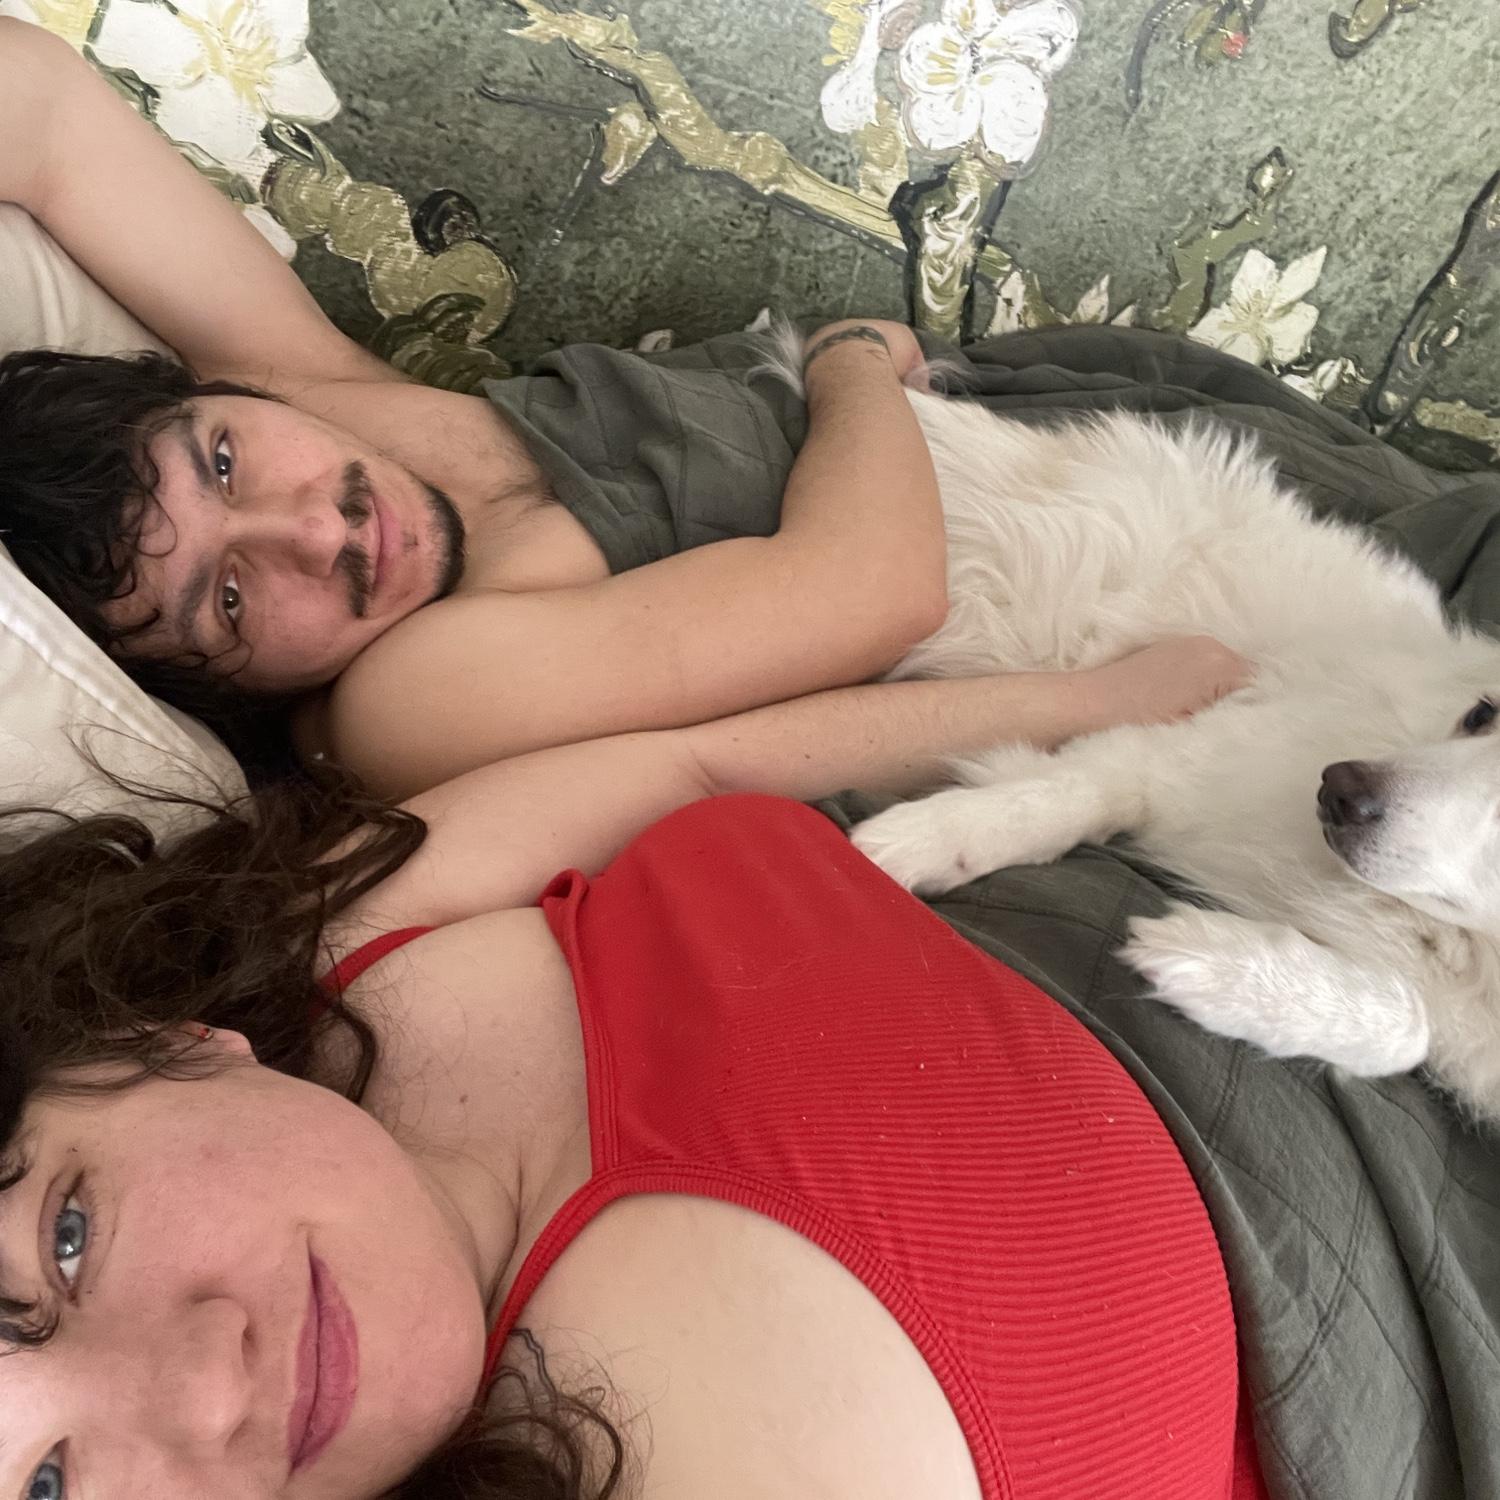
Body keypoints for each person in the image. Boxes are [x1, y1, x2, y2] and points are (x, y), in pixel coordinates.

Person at [0, 653, 1272, 1499]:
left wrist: (1102, 699)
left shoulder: (332, 936)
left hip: (1165, 835)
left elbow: (697, 765)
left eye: (66, 1234)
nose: (207, 1390)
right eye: (49, 1489)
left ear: (145, 1041)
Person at [0, 18, 972, 797]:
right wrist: (847, 357)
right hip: (998, 543)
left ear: (212, 398)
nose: (316, 530)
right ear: (227, 698)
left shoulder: (294, 387)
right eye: (229, 599)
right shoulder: (405, 705)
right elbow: (876, 593)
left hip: (1006, 412)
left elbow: (38, 104)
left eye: (222, 464)